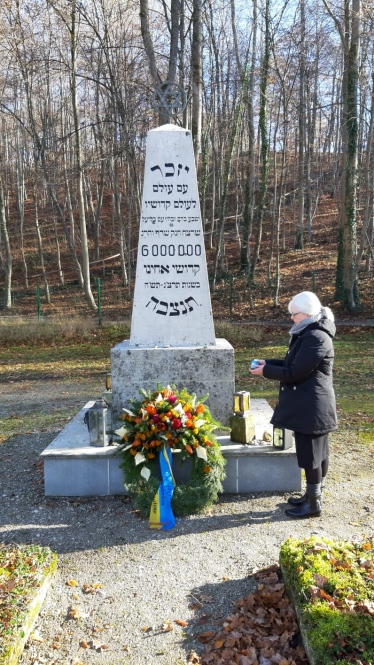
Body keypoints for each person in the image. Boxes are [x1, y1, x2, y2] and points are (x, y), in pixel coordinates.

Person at [249, 291, 337, 519]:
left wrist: (265, 371)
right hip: (309, 404)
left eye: (294, 314)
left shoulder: (316, 337)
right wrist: (268, 363)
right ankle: (311, 496)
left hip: (313, 407)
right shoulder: (307, 333)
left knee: (312, 456)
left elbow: (296, 372)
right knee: (316, 454)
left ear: (307, 314)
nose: (291, 318)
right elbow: (292, 363)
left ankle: (314, 503)